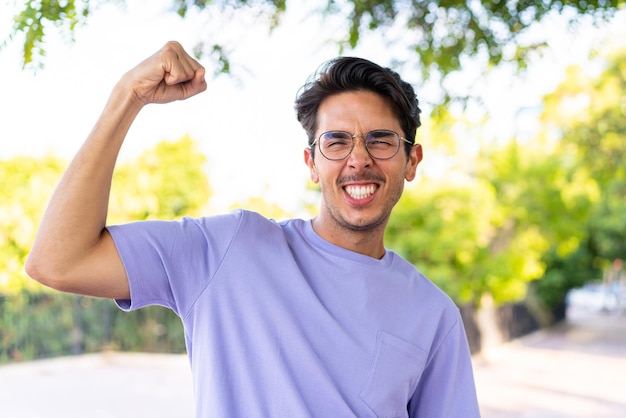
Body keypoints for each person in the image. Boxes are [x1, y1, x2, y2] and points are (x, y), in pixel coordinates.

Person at [26, 41, 481, 417]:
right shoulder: (229, 250)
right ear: (312, 163)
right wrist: (127, 96)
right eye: (336, 141)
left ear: (411, 161)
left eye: (380, 140)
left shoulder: (433, 315)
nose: (357, 158)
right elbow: (57, 261)